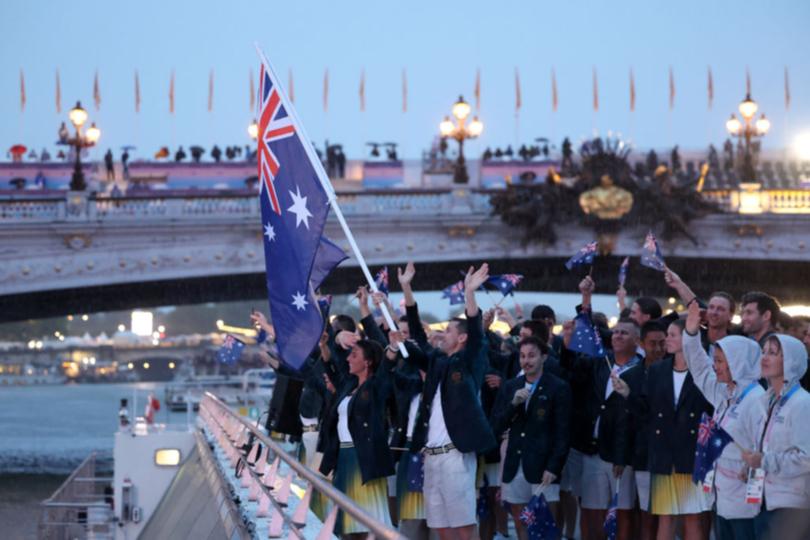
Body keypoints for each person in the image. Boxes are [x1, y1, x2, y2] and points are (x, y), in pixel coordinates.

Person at [399, 261, 496, 540]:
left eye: (449, 330)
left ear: (462, 338)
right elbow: (417, 334)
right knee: (441, 527)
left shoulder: (470, 361)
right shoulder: (437, 363)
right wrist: (406, 287)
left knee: (464, 526)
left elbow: (478, 334)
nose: (442, 333)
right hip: (431, 455)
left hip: (456, 455)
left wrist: (470, 293)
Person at [615, 319, 714, 540]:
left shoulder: (703, 371)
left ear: (688, 339)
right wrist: (627, 395)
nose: (666, 339)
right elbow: (646, 412)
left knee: (692, 516)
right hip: (663, 454)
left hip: (691, 455)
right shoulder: (658, 370)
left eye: (672, 335)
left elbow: (710, 411)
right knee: (665, 515)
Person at [560, 276, 637, 540]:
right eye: (615, 332)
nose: (617, 335)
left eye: (624, 332)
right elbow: (584, 335)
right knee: (591, 511)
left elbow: (634, 415)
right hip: (592, 451)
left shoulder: (641, 370)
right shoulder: (598, 363)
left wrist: (621, 453)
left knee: (622, 513)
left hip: (620, 456)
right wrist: (586, 299)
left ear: (636, 340)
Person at [681, 300, 764, 540]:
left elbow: (765, 449)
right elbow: (698, 368)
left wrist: (754, 488)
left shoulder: (756, 400)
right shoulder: (724, 392)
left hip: (747, 504)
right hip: (722, 497)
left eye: (719, 361)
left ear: (737, 363)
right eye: (715, 360)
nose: (714, 367)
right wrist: (691, 333)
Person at [491, 336, 572, 540]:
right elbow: (496, 425)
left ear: (543, 357)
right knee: (521, 525)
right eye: (522, 356)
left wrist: (554, 466)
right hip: (515, 464)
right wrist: (513, 405)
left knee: (545, 526)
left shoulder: (558, 387)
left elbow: (563, 432)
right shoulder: (511, 386)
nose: (526, 361)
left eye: (532, 356)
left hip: (543, 467)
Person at [317, 336, 394, 538]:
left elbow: (387, 367)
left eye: (354, 355)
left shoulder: (376, 386)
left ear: (367, 362)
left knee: (365, 523)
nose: (348, 359)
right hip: (343, 458)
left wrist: (393, 347)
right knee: (345, 522)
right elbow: (330, 366)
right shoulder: (348, 385)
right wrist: (324, 345)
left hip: (364, 458)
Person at [737, 334, 810, 540]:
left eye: (773, 353)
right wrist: (752, 466)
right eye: (764, 352)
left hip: (791, 506)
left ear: (790, 361)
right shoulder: (767, 400)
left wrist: (764, 461)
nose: (764, 357)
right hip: (765, 499)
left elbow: (807, 458)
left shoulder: (802, 403)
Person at [618, 320, 668, 540]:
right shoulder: (630, 377)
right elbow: (624, 422)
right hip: (642, 453)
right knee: (646, 514)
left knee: (668, 516)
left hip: (671, 456)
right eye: (652, 343)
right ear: (641, 343)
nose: (657, 349)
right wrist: (621, 457)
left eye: (662, 343)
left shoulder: (676, 372)